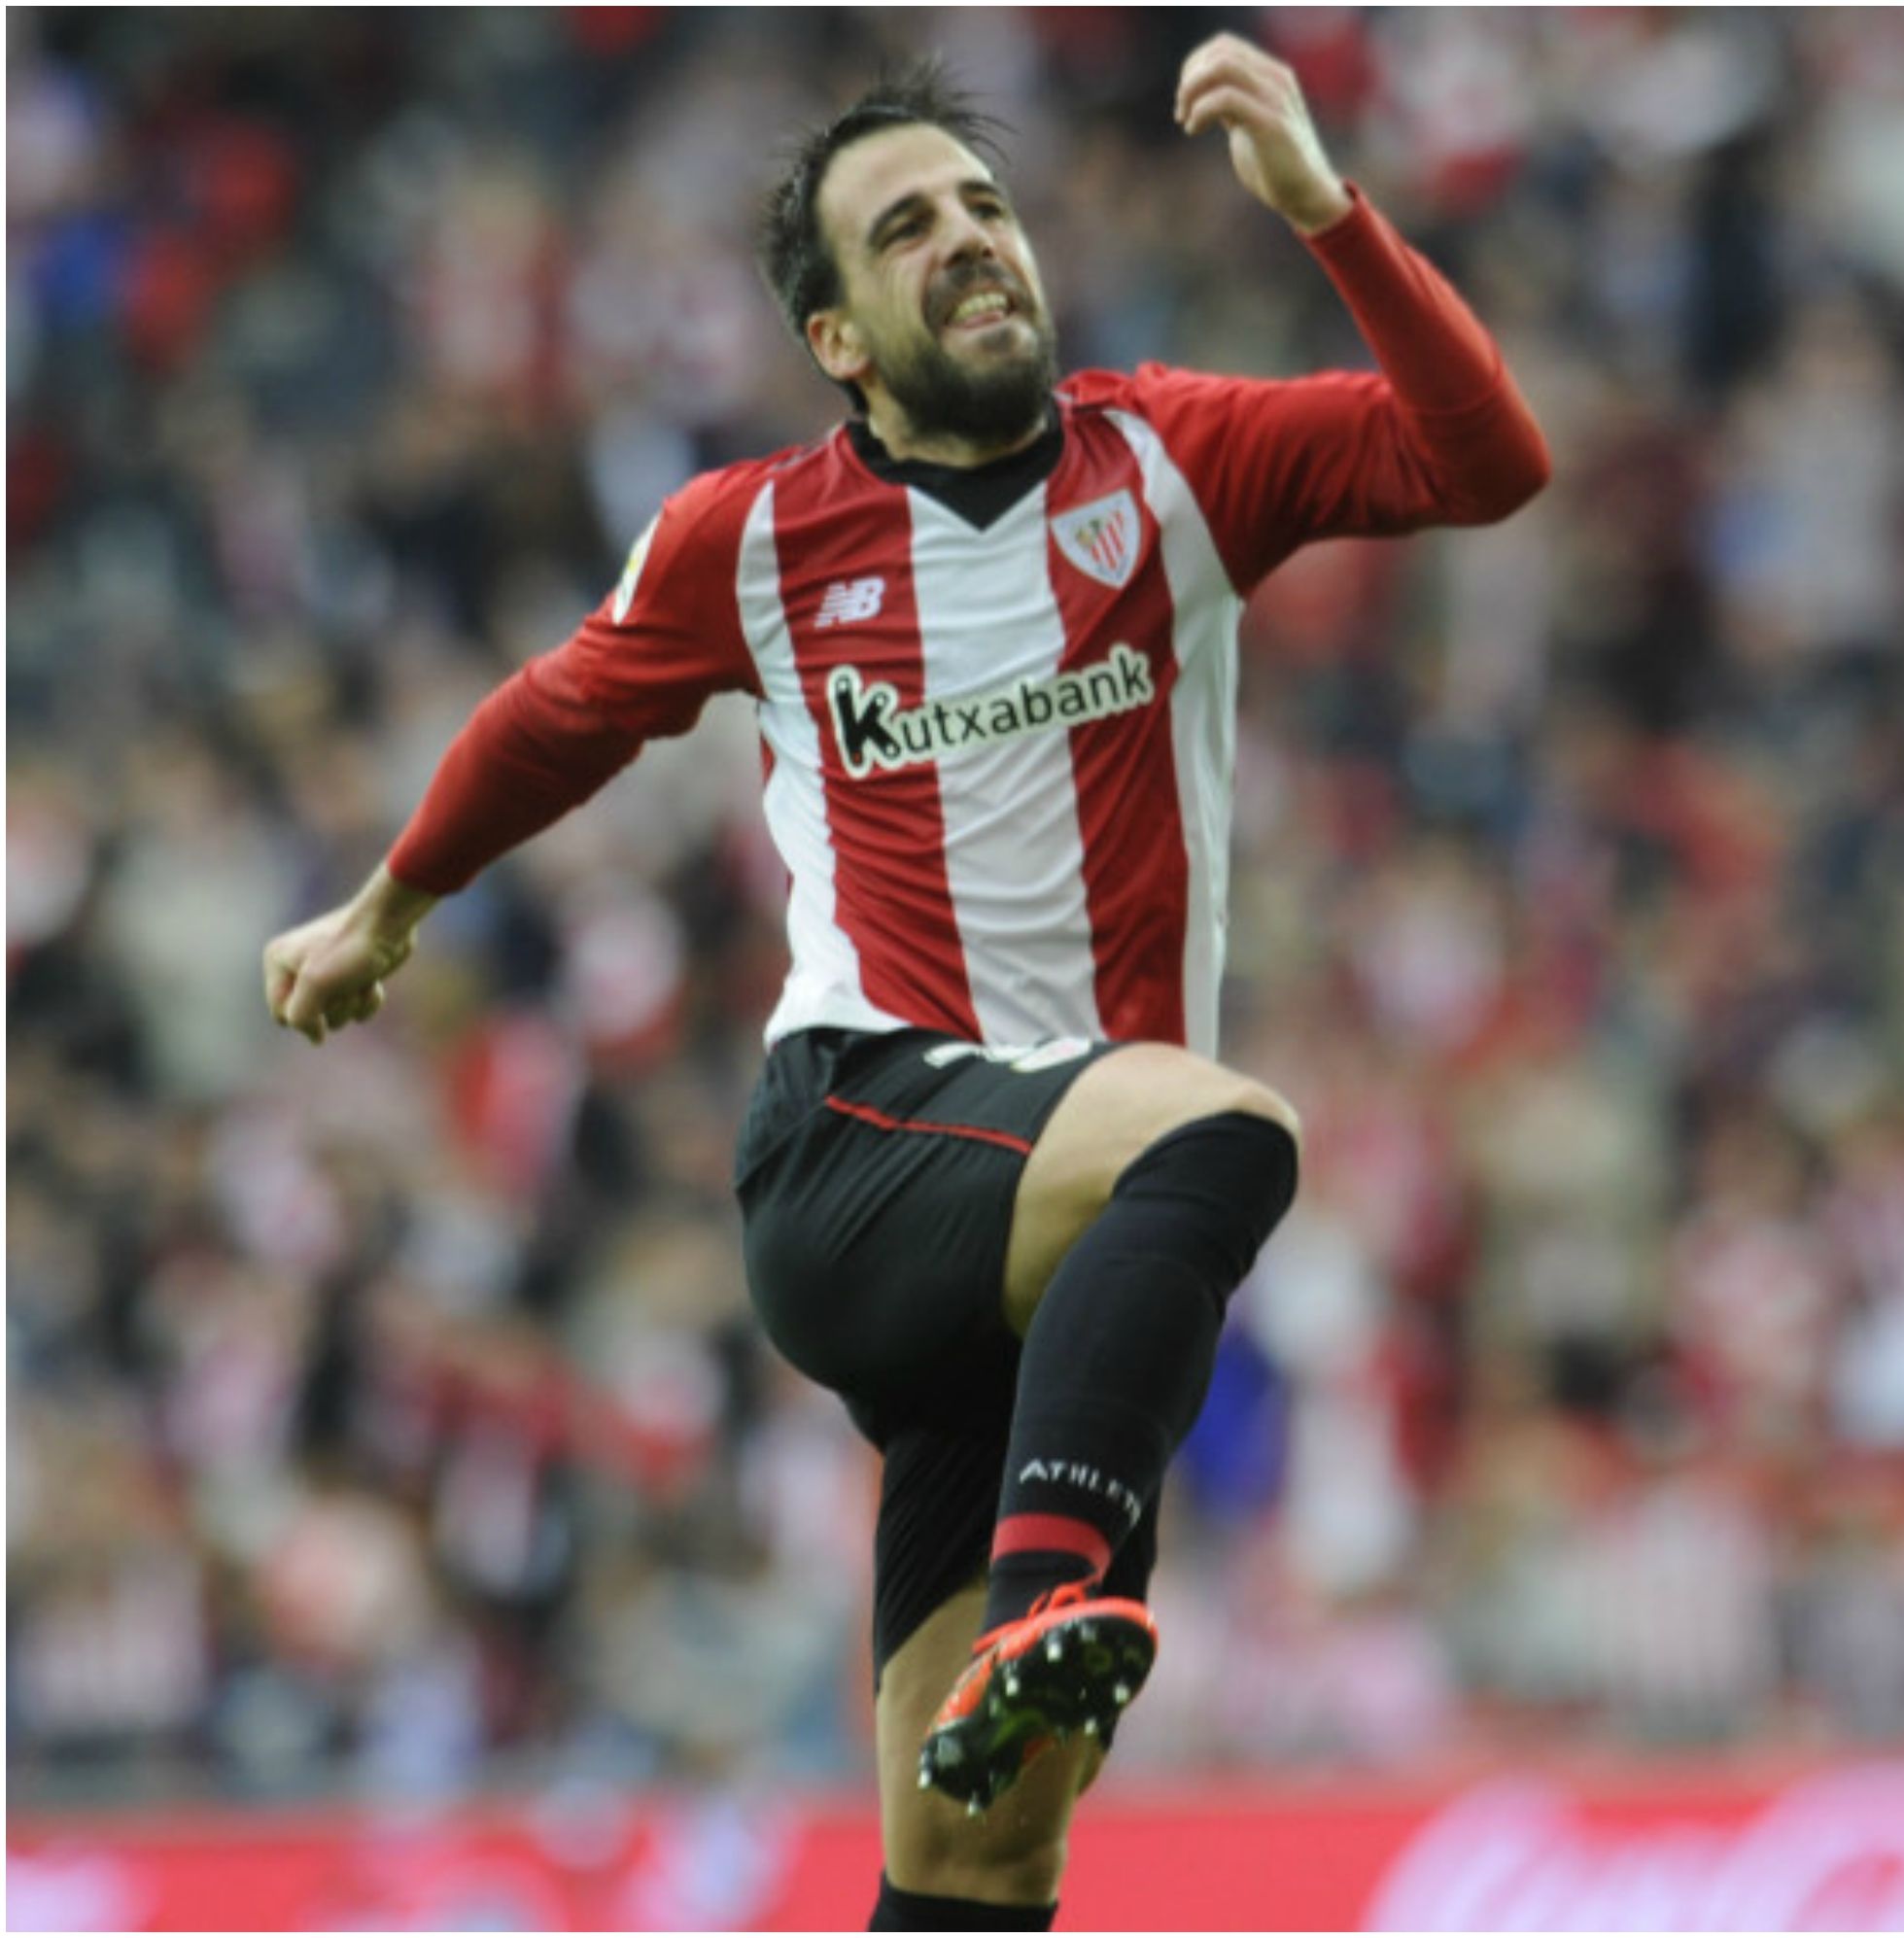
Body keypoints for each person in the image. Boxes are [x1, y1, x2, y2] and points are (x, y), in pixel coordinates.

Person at [261, 38, 1546, 1930]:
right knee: (1228, 1135)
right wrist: (383, 905)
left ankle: (1034, 1616)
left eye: (982, 207)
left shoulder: (1175, 457)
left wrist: (1323, 213)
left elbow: (1486, 462)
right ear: (837, 335)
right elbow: (558, 716)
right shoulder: (759, 538)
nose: (966, 242)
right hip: (862, 1143)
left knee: (972, 1861)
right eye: (906, 228)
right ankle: (1052, 1595)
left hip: (1054, 1274)